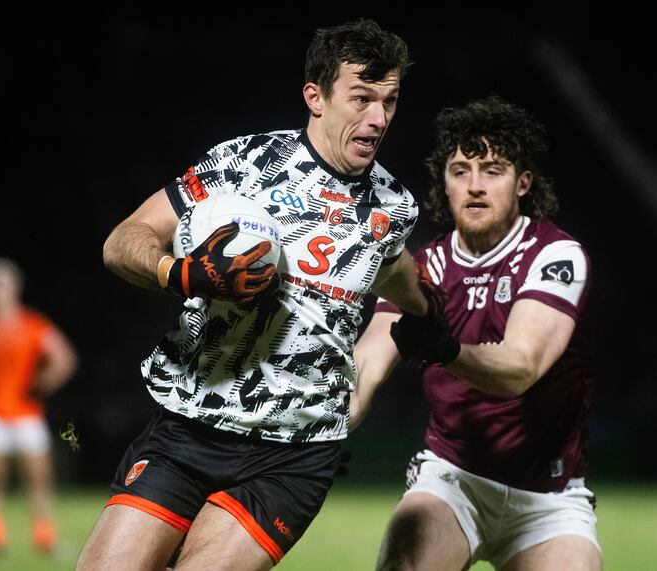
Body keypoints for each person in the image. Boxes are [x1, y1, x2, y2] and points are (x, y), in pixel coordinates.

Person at [76, 18, 437, 571]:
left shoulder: (394, 208)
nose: (378, 118)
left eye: (390, 102)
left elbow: (394, 273)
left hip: (293, 454)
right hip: (189, 426)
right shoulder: (242, 165)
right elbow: (123, 241)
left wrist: (426, 312)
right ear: (315, 97)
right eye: (362, 99)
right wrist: (184, 274)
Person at [351, 95, 602, 570]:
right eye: (461, 170)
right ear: (443, 184)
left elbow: (519, 368)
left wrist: (446, 350)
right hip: (453, 479)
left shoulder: (555, 255)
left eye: (493, 170)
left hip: (549, 499)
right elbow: (368, 362)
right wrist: (330, 420)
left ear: (523, 183)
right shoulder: (424, 268)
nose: (475, 186)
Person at [0, 257, 77, 554]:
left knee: (38, 475)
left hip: (26, 412)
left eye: (1, 285)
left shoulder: (33, 325)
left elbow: (64, 357)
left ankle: (44, 536)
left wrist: (43, 383)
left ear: (14, 288)